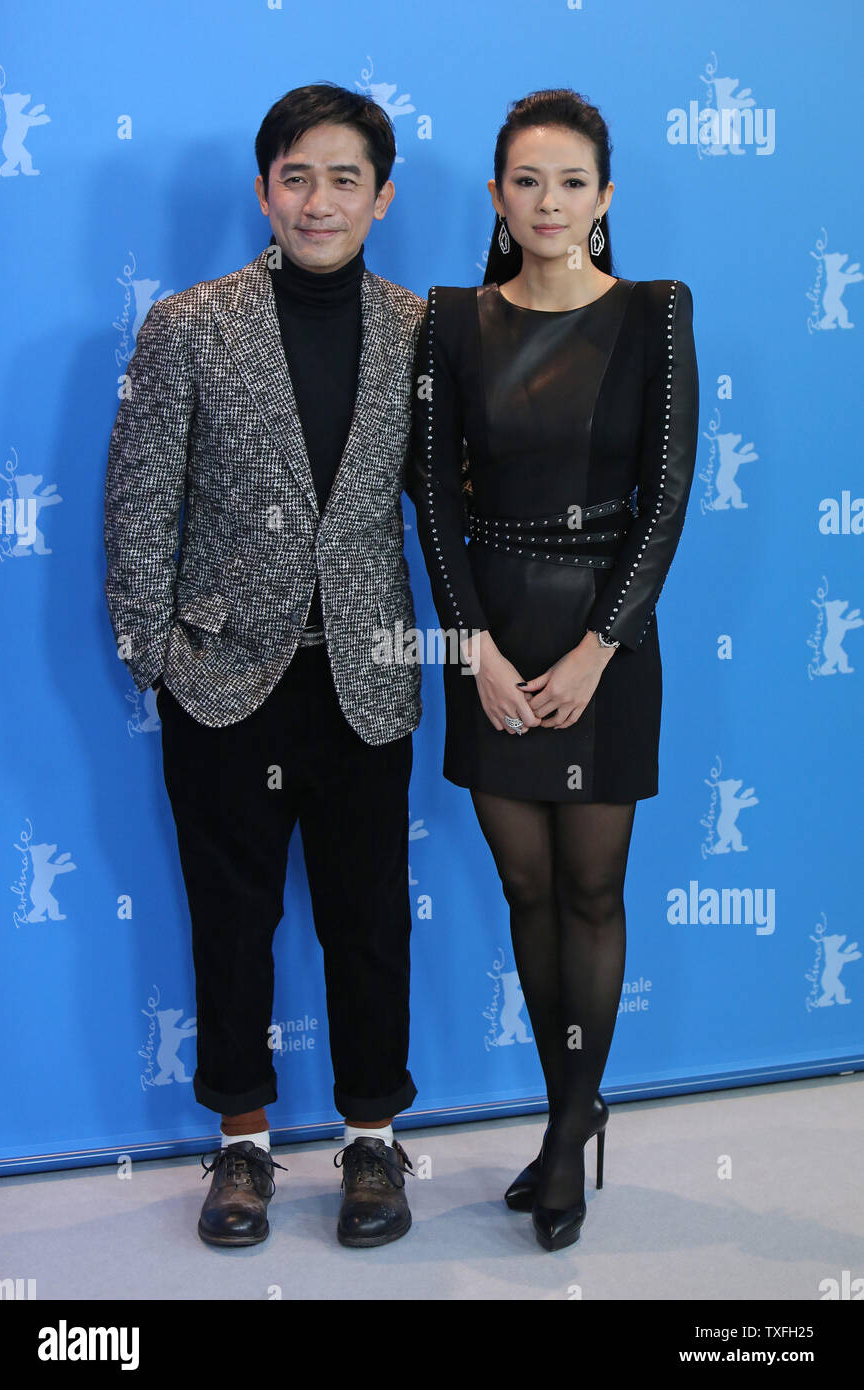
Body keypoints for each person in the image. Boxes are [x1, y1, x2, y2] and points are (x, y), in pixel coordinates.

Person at [104, 83, 426, 1249]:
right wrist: (157, 654)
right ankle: (241, 1143)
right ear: (263, 190)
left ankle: (372, 1141)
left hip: (366, 678)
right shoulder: (188, 325)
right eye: (298, 175)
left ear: (381, 198)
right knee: (231, 917)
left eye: (347, 177)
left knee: (369, 917)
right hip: (226, 680)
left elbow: (435, 507)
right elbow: (140, 502)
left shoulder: (417, 329)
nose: (320, 198)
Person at [408, 88, 699, 1251]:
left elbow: (666, 497)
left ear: (605, 196)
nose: (548, 201)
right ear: (495, 195)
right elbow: (430, 496)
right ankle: (568, 1114)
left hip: (605, 640)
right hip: (492, 635)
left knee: (590, 891)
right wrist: (471, 647)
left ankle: (568, 1136)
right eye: (526, 180)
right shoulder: (447, 319)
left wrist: (598, 646)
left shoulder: (656, 313)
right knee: (527, 891)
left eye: (572, 181)